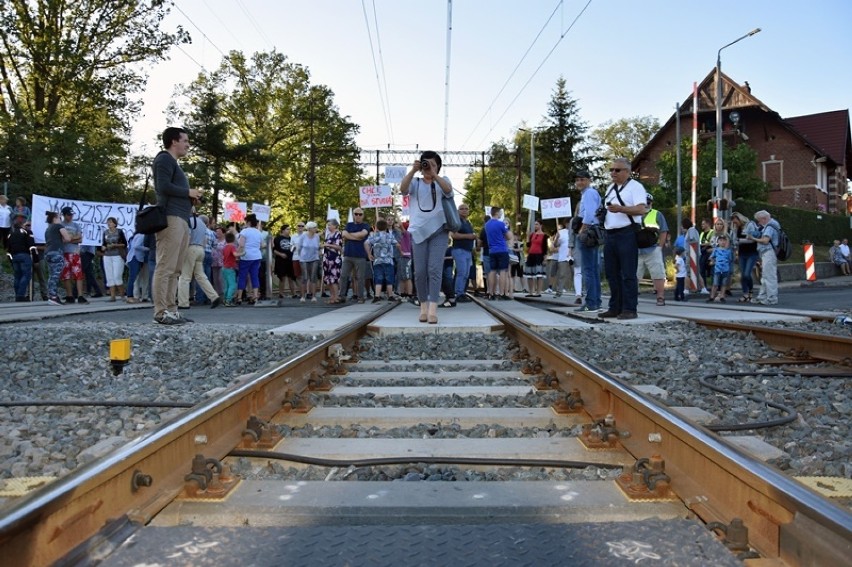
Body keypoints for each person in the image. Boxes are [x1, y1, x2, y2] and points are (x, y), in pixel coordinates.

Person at [151, 127, 202, 325]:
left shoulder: (173, 163)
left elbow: (172, 190)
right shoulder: (164, 159)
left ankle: (172, 310)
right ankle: (161, 311)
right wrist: (188, 192)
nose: (188, 145)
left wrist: (191, 200)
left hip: (181, 218)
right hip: (170, 218)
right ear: (174, 141)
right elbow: (162, 186)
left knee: (176, 269)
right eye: (185, 140)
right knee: (166, 266)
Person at [400, 150, 454, 323]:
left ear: (438, 165)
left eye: (432, 164)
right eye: (425, 164)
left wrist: (434, 174)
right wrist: (413, 171)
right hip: (418, 232)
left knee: (434, 269)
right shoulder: (415, 182)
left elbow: (448, 191)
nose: (427, 167)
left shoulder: (443, 180)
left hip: (439, 230)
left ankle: (433, 309)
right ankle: (422, 306)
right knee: (420, 271)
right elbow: (403, 190)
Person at [600, 158, 647, 320]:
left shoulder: (636, 187)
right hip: (610, 234)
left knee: (628, 273)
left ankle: (629, 308)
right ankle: (615, 307)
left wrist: (621, 209)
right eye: (611, 170)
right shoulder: (610, 188)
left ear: (627, 172)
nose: (613, 173)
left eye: (617, 170)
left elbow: (642, 209)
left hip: (627, 233)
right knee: (612, 273)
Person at [178, 214, 222, 309]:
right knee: (201, 276)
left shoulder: (189, 221)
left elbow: (187, 236)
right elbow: (205, 240)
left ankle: (183, 303)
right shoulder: (203, 226)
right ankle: (214, 297)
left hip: (190, 248)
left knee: (184, 277)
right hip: (200, 250)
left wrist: (182, 250)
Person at [574, 170, 601, 312]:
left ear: (589, 180)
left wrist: (581, 230)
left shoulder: (589, 193)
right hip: (593, 231)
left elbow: (590, 214)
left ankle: (591, 303)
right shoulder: (587, 194)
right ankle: (595, 301)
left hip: (588, 232)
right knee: (593, 268)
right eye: (577, 180)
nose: (579, 182)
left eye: (582, 179)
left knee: (588, 269)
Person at [635, 193, 669, 306]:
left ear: (651, 203)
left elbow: (664, 231)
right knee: (634, 275)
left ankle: (660, 297)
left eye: (648, 202)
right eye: (643, 203)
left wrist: (660, 247)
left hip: (652, 249)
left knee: (658, 273)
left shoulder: (657, 214)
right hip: (637, 250)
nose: (646, 205)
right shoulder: (633, 215)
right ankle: (632, 297)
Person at [748, 210, 781, 305]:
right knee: (765, 276)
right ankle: (762, 296)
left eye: (759, 220)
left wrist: (753, 238)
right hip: (768, 253)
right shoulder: (774, 224)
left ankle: (771, 298)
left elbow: (765, 240)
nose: (759, 223)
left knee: (769, 276)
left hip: (769, 252)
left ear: (764, 218)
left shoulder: (770, 226)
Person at [340, 209, 371, 303]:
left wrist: (349, 236)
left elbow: (362, 234)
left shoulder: (366, 225)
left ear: (363, 215)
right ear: (353, 215)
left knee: (360, 277)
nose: (358, 216)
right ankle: (342, 296)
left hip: (360, 255)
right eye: (356, 214)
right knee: (343, 275)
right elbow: (343, 234)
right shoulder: (349, 225)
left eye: (360, 214)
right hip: (348, 255)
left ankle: (361, 297)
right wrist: (356, 237)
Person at [365, 218, 398, 303]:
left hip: (377, 261)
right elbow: (397, 244)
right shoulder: (389, 236)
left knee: (378, 278)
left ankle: (377, 296)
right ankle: (390, 295)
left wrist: (369, 254)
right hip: (388, 261)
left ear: (377, 227)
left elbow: (366, 243)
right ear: (386, 226)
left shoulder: (373, 236)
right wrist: (401, 251)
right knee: (389, 279)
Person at [59, 206, 88, 304]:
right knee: (66, 274)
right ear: (64, 215)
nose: (70, 216)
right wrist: (73, 238)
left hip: (75, 251)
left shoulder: (76, 225)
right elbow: (61, 240)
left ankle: (80, 295)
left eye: (71, 214)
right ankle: (69, 295)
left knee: (78, 274)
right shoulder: (60, 225)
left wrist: (69, 238)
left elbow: (80, 239)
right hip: (64, 252)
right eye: (68, 215)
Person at [483, 206, 511, 301]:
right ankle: (502, 293)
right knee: (503, 271)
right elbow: (509, 236)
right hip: (502, 249)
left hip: (492, 250)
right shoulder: (500, 224)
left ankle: (491, 293)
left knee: (492, 271)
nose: (501, 214)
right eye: (500, 213)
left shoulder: (487, 225)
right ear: (497, 213)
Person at [44, 211, 71, 306]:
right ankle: (53, 296)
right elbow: (67, 238)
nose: (61, 219)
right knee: (55, 275)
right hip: (56, 252)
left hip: (48, 252)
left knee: (51, 275)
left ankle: (51, 294)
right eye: (59, 218)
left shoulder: (48, 229)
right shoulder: (59, 226)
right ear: (55, 218)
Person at [235, 214, 263, 305]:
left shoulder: (245, 231)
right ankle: (255, 296)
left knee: (242, 276)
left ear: (249, 222)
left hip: (246, 256)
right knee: (254, 276)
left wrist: (236, 253)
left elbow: (241, 245)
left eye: (246, 221)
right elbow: (262, 245)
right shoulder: (258, 232)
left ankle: (239, 297)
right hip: (257, 256)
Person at [731, 212, 759, 302]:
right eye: (734, 222)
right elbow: (734, 241)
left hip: (752, 252)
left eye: (736, 222)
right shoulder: (736, 228)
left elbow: (751, 240)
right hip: (742, 253)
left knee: (747, 274)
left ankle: (750, 291)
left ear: (740, 219)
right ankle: (745, 293)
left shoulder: (750, 225)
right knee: (743, 275)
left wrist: (739, 240)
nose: (735, 224)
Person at [450, 204, 475, 302]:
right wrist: (469, 236)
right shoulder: (457, 222)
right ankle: (458, 293)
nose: (464, 211)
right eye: (462, 209)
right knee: (461, 272)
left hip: (468, 251)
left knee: (466, 273)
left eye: (466, 209)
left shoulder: (468, 222)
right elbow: (454, 235)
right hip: (459, 250)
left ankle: (462, 292)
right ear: (458, 211)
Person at [6, 214, 34, 301]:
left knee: (17, 276)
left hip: (14, 256)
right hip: (24, 255)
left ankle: (17, 295)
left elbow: (8, 248)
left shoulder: (10, 234)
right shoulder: (27, 232)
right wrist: (35, 258)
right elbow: (31, 246)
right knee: (26, 275)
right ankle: (20, 295)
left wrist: (10, 259)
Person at [101, 216, 127, 301]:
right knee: (109, 276)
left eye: (111, 222)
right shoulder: (105, 233)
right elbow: (103, 244)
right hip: (107, 255)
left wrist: (115, 245)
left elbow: (124, 244)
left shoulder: (119, 232)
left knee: (117, 275)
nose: (109, 224)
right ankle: (112, 296)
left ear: (115, 224)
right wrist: (103, 247)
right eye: (108, 222)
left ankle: (122, 294)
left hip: (117, 255)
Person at [523, 220, 548, 297]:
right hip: (531, 255)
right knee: (530, 275)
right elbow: (528, 245)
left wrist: (545, 258)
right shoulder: (532, 235)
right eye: (534, 224)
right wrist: (527, 236)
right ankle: (531, 291)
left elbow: (545, 248)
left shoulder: (544, 236)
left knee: (539, 275)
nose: (535, 226)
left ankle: (538, 292)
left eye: (537, 224)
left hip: (539, 255)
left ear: (541, 225)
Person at [273, 225, 297, 304]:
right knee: (282, 277)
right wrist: (280, 254)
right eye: (287, 229)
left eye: (289, 229)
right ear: (283, 230)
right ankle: (281, 293)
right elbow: (274, 250)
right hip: (281, 261)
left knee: (291, 278)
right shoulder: (277, 239)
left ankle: (294, 293)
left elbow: (293, 248)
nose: (289, 230)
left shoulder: (291, 238)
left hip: (290, 260)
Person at [297, 221, 321, 302]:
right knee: (305, 277)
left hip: (314, 258)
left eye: (316, 227)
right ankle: (303, 296)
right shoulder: (303, 236)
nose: (316, 229)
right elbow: (299, 247)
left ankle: (314, 296)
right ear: (310, 229)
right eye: (314, 227)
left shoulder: (317, 236)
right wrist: (301, 256)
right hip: (304, 259)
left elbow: (317, 247)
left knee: (313, 277)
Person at [707, 235, 733, 302]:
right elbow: (711, 257)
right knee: (715, 283)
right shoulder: (716, 250)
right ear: (718, 242)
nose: (723, 242)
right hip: (717, 269)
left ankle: (722, 296)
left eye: (724, 240)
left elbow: (730, 260)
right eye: (721, 240)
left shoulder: (728, 251)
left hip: (725, 269)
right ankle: (712, 296)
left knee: (724, 284)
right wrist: (713, 261)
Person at [322, 219, 343, 304]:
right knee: (328, 279)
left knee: (334, 278)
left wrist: (327, 245)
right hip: (327, 259)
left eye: (330, 225)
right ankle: (332, 296)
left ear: (335, 226)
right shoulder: (328, 235)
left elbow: (339, 247)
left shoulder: (338, 234)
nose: (328, 226)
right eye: (328, 225)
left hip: (334, 259)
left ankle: (336, 296)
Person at [125, 232, 148, 303]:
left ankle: (132, 296)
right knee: (132, 277)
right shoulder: (142, 235)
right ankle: (130, 296)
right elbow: (136, 246)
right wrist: (147, 248)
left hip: (134, 258)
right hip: (135, 258)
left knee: (133, 278)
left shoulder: (135, 236)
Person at [221, 232, 238, 306]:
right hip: (230, 268)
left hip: (224, 268)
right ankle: (229, 300)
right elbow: (235, 254)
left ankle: (224, 299)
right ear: (233, 239)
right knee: (232, 285)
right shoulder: (232, 247)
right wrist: (242, 253)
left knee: (227, 285)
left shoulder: (225, 247)